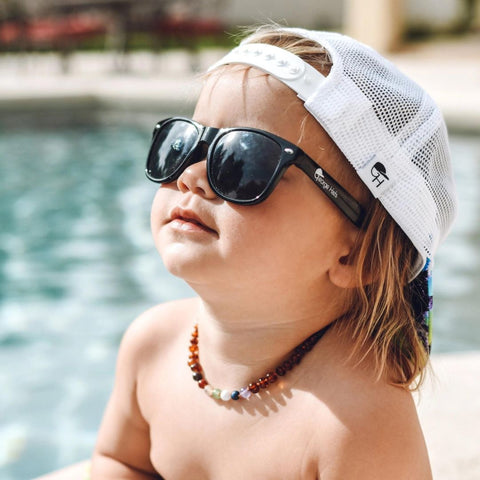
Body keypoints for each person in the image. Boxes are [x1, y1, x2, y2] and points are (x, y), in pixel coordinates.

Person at [90, 25, 457, 479]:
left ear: (355, 256)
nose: (191, 176)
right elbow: (121, 461)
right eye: (184, 145)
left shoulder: (355, 420)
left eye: (245, 160)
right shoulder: (151, 345)